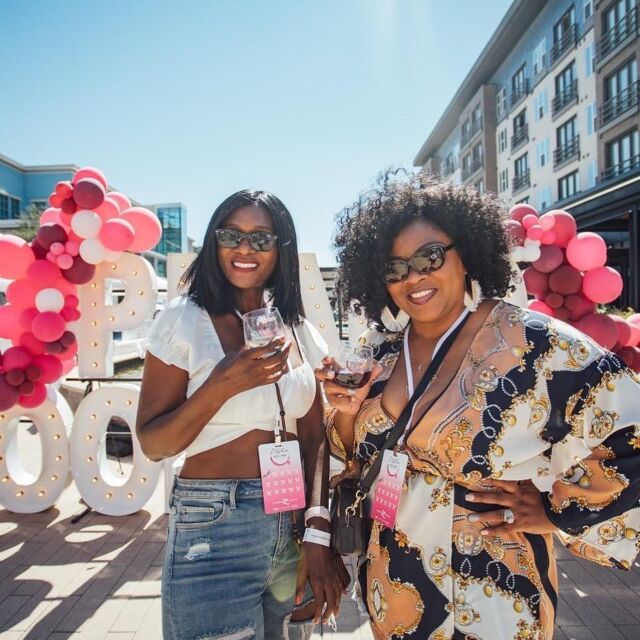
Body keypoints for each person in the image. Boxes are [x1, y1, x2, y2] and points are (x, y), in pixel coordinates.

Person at [316, 173, 640, 640]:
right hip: (395, 585)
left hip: (492, 591)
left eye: (429, 257)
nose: (415, 278)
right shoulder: (379, 351)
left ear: (465, 252)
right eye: (395, 268)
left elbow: (630, 426)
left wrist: (553, 510)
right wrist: (345, 411)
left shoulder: (534, 342)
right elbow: (351, 457)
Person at [136, 190, 342, 640]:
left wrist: (318, 530)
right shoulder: (183, 319)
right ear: (214, 242)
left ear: (280, 248)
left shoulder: (296, 327)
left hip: (291, 524)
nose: (245, 248)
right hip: (214, 524)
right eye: (232, 234)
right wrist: (225, 382)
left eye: (261, 238)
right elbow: (154, 444)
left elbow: (315, 440)